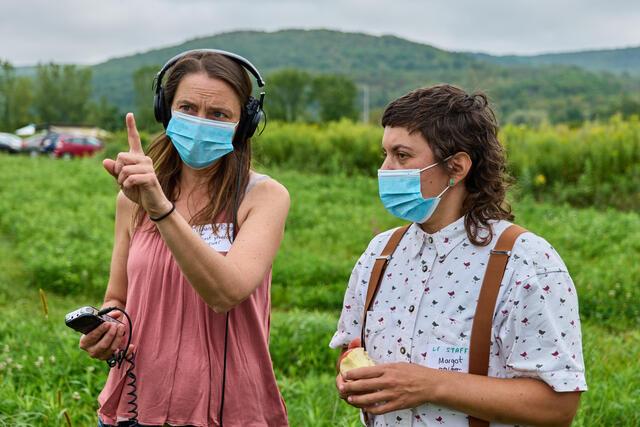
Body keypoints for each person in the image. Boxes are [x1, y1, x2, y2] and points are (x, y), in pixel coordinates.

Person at [330, 84, 586, 427]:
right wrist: (354, 379)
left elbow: (558, 407)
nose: (386, 169)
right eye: (385, 154)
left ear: (457, 167)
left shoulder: (525, 263)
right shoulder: (380, 254)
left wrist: (432, 385)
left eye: (402, 155)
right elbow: (352, 349)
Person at [79, 50, 290, 426]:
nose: (200, 122)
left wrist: (161, 208)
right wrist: (108, 327)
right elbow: (118, 298)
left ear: (244, 124)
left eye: (219, 115)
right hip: (138, 404)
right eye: (188, 108)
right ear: (166, 111)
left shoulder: (263, 197)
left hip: (228, 408)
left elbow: (226, 293)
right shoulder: (131, 202)